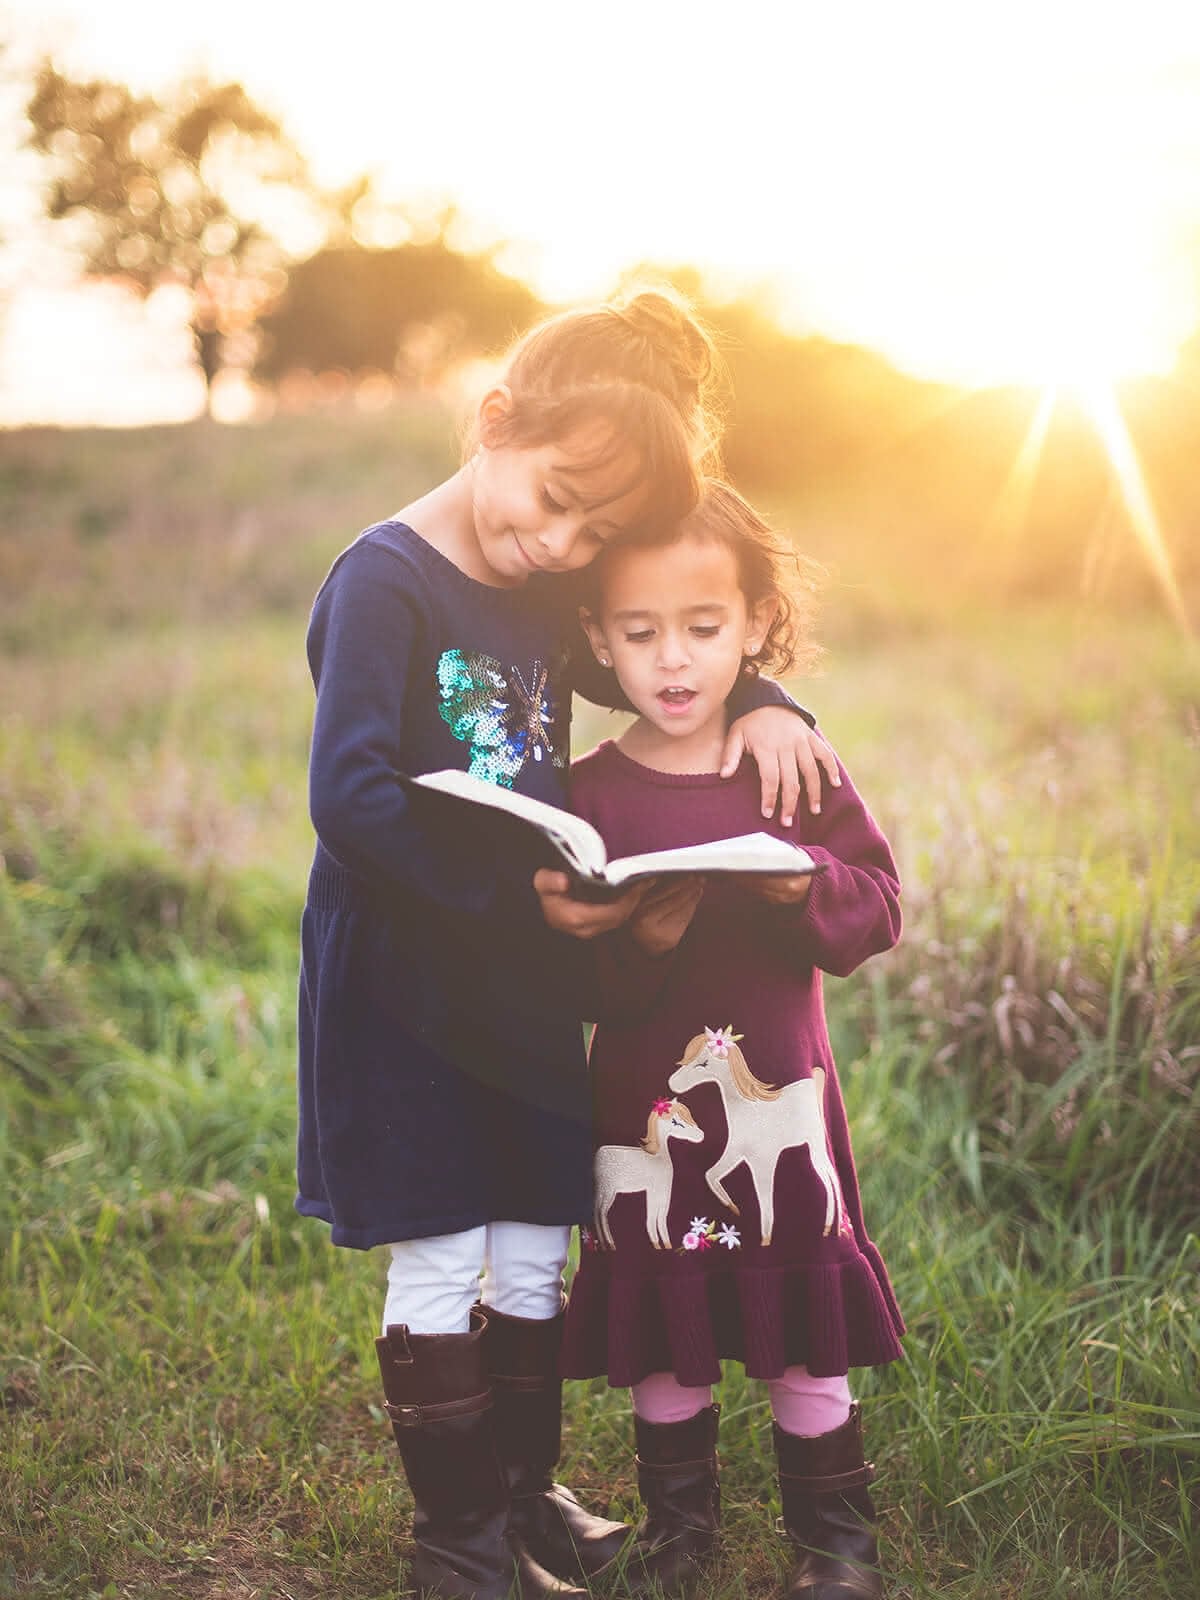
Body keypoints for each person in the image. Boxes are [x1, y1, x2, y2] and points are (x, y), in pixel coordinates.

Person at [295, 291, 839, 1600]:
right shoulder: (384, 581)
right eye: (554, 503)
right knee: (441, 1243)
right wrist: (504, 901)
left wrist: (763, 699)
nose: (562, 545)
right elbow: (349, 797)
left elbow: (648, 661)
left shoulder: (545, 582)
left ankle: (527, 1494)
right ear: (493, 422)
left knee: (539, 1234)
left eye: (595, 532)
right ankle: (457, 1546)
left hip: (527, 978)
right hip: (410, 977)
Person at [560, 480, 906, 1600]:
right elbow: (563, 972)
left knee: (804, 1320)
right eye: (640, 631)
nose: (673, 659)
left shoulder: (790, 763)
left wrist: (804, 882)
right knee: (667, 1324)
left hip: (781, 1096)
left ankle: (836, 1545)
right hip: (643, 1104)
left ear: (754, 625)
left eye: (704, 629)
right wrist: (637, 943)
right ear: (596, 638)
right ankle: (679, 1538)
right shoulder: (591, 795)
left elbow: (877, 907)